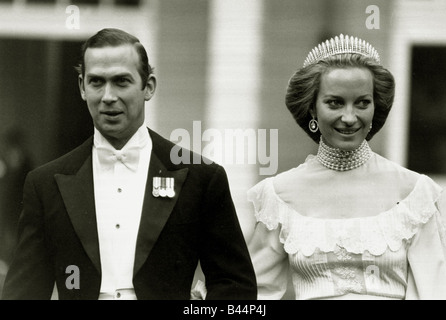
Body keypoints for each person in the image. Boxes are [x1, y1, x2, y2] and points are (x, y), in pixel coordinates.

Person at [1, 28, 256, 300]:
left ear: (149, 87)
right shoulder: (45, 183)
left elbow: (235, 286)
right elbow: (23, 291)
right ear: (81, 87)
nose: (108, 96)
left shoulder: (202, 177)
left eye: (121, 81)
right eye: (97, 82)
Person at [247, 34, 446, 300]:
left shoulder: (414, 192)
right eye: (335, 102)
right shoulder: (278, 195)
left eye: (362, 102)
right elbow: (255, 293)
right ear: (311, 109)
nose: (350, 117)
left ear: (375, 107)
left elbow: (435, 291)